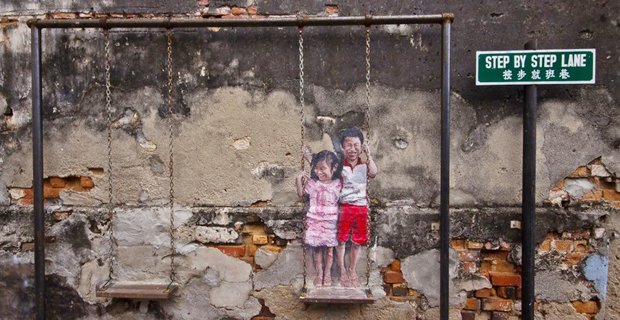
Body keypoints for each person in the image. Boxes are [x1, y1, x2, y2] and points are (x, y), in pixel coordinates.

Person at [336, 127, 377, 287]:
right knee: (341, 240)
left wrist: (369, 154)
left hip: (361, 208)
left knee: (357, 242)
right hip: (344, 207)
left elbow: (374, 173)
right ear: (342, 147)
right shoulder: (338, 166)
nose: (352, 149)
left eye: (356, 145)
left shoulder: (365, 165)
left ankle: (352, 270)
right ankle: (342, 271)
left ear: (362, 147)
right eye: (349, 145)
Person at [296, 150, 343, 287]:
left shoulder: (337, 184)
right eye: (316, 169)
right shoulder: (312, 183)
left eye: (323, 168)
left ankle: (327, 273)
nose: (318, 172)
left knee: (329, 249)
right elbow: (300, 194)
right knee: (317, 249)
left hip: (330, 220)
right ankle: (319, 273)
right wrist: (299, 180)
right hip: (315, 220)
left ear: (333, 169)